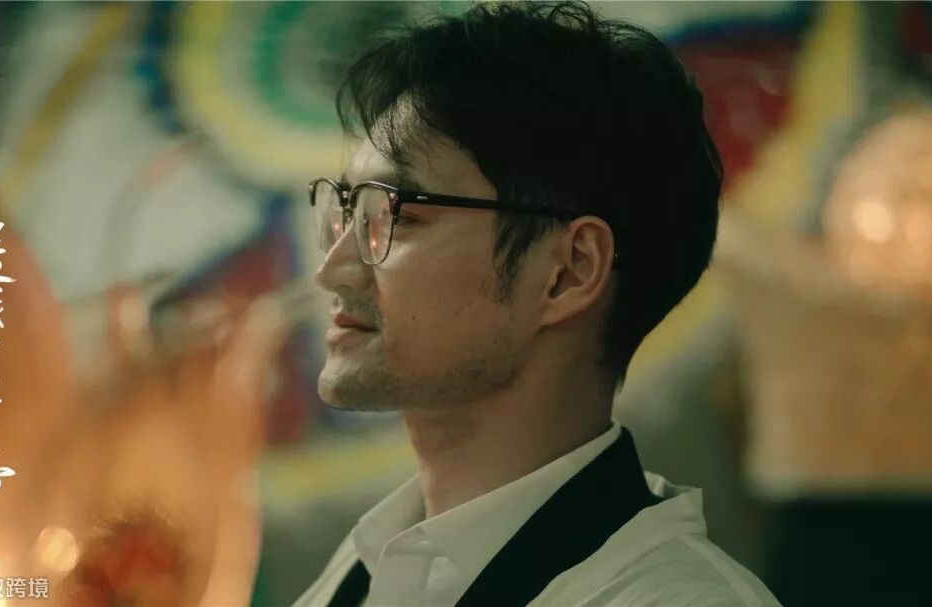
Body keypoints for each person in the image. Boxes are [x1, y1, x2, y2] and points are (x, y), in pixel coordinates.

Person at [295, 2, 780, 605]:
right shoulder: (369, 569)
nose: (331, 269)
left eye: (395, 215)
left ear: (569, 272)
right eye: (344, 211)